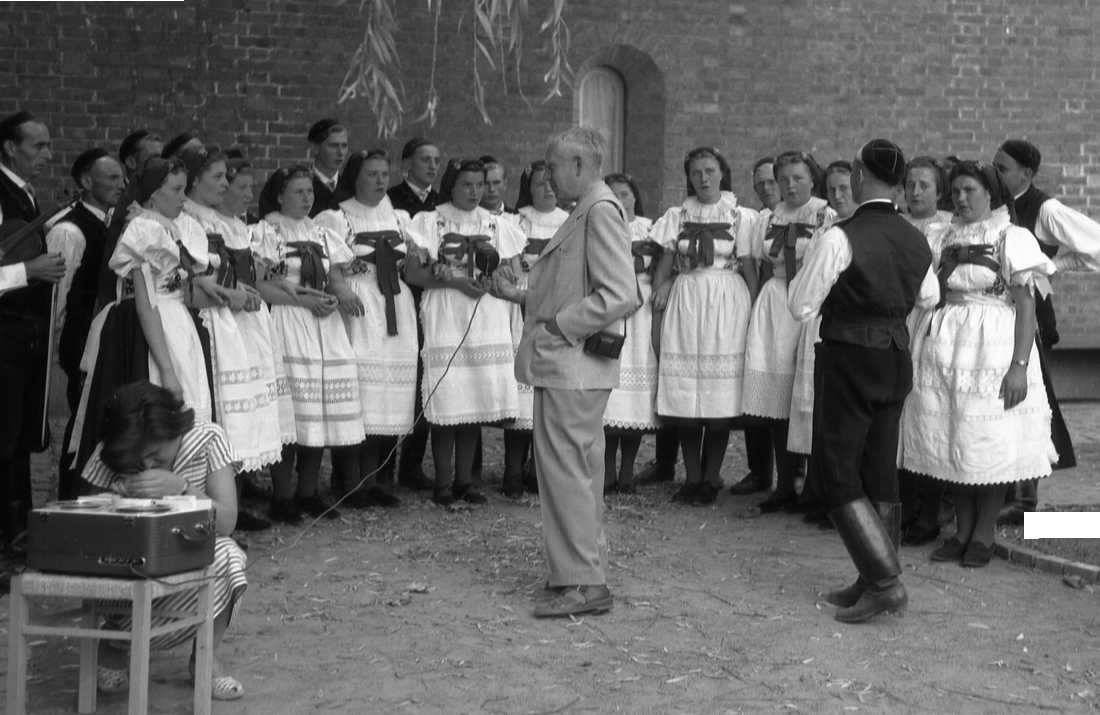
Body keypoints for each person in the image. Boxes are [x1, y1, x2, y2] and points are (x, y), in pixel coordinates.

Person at [788, 139, 937, 623]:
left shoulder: (841, 234)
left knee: (836, 470)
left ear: (858, 174)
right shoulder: (916, 237)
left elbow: (801, 305)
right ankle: (875, 571)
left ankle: (883, 581)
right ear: (897, 184)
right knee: (878, 468)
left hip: (851, 356)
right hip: (894, 359)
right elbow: (930, 296)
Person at [496, 126, 637, 617]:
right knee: (575, 473)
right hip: (571, 365)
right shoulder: (588, 210)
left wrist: (559, 324)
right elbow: (575, 285)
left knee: (567, 474)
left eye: (554, 166)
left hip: (573, 365)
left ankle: (582, 583)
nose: (548, 176)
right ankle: (581, 572)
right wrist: (520, 294)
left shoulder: (598, 211)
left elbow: (620, 292)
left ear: (579, 165)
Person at [901, 160, 1056, 567]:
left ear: (991, 194)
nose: (962, 198)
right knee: (956, 440)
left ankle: (983, 534)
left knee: (989, 445)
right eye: (956, 192)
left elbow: (1026, 307)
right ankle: (962, 531)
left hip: (994, 347)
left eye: (970, 191)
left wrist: (1019, 366)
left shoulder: (1010, 237)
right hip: (947, 349)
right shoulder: (943, 236)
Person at [82, 381, 247, 701]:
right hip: (132, 566)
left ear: (173, 429)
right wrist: (115, 499)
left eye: (155, 456)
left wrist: (182, 489)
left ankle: (205, 656)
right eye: (136, 462)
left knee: (228, 554)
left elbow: (227, 521)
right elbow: (89, 519)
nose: (146, 467)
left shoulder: (208, 439)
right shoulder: (117, 448)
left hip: (187, 559)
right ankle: (115, 641)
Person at [181, 146, 295, 531]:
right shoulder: (191, 221)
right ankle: (215, 505)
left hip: (243, 322)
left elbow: (247, 277)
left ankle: (236, 503)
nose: (237, 190)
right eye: (226, 180)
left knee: (244, 415)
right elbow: (199, 281)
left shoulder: (229, 223)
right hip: (215, 321)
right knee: (223, 412)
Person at [404, 158, 524, 505]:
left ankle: (465, 481)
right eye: (467, 185)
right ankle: (442, 481)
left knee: (473, 397)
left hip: (485, 312)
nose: (475, 192)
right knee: (448, 393)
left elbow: (510, 273)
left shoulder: (496, 223)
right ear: (451, 186)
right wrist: (452, 278)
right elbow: (413, 274)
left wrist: (493, 279)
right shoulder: (430, 220)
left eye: (480, 185)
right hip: (446, 311)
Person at [252, 165, 365, 522]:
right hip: (288, 319)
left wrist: (336, 295)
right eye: (298, 192)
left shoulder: (321, 232)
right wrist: (306, 301)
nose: (306, 198)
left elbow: (332, 277)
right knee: (293, 409)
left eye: (309, 192)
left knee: (318, 408)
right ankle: (282, 496)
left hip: (323, 326)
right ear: (280, 195)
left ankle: (308, 491)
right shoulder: (266, 231)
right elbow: (261, 285)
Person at [993, 139, 1098, 522]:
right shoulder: (997, 207)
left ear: (1027, 174)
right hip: (995, 320)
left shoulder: (1045, 209)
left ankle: (1024, 502)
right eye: (995, 166)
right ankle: (1002, 491)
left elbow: (1096, 245)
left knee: (1032, 404)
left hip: (1031, 319)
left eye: (1003, 168)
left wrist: (1051, 267)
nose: (997, 174)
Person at [651, 146, 759, 506]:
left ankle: (712, 476)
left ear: (721, 172)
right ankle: (691, 475)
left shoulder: (739, 215)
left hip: (726, 302)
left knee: (717, 396)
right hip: (687, 300)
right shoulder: (677, 214)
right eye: (696, 173)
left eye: (709, 171)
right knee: (686, 396)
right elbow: (667, 261)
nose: (703, 179)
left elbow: (748, 266)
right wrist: (663, 285)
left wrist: (755, 313)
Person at [315, 148, 419, 506]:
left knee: (387, 393)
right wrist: (339, 287)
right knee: (358, 388)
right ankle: (349, 480)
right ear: (354, 177)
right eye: (371, 174)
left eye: (383, 174)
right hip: (359, 305)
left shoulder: (401, 217)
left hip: (396, 304)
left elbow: (416, 263)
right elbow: (327, 264)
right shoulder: (337, 217)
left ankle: (373, 481)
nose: (379, 181)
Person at [740, 151, 833, 511]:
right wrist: (756, 311)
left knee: (806, 393)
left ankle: (811, 484)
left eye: (798, 178)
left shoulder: (826, 214)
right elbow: (764, 268)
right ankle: (782, 485)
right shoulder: (768, 218)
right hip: (775, 302)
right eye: (783, 180)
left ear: (812, 179)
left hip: (811, 304)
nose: (790, 185)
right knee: (778, 397)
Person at [0, 110, 64, 586]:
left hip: (24, 338)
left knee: (19, 440)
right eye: (36, 146)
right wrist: (30, 272)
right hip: (3, 336)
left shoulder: (24, 194)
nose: (46, 154)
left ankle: (18, 540)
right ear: (9, 147)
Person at [46, 149, 126, 500]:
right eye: (112, 178)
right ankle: (71, 496)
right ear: (86, 182)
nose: (120, 185)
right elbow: (56, 299)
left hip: (104, 337)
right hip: (80, 342)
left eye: (122, 178)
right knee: (81, 421)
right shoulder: (69, 230)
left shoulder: (111, 222)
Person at [498, 160, 569, 497]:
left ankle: (535, 470)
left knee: (545, 394)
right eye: (540, 183)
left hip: (556, 307)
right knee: (521, 394)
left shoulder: (571, 221)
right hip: (520, 308)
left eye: (552, 182)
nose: (548, 189)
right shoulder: (514, 220)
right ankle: (512, 469)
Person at [898, 156, 955, 545]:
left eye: (924, 185)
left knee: (928, 415)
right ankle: (900, 506)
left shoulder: (949, 229)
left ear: (939, 190)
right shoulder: (895, 223)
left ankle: (931, 512)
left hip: (932, 325)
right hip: (896, 322)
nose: (916, 192)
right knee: (896, 418)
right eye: (910, 185)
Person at [387, 137, 442, 488]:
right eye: (425, 159)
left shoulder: (442, 206)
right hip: (400, 296)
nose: (433, 166)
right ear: (407, 163)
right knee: (399, 376)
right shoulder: (391, 201)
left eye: (437, 160)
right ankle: (384, 463)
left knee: (427, 376)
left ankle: (412, 463)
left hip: (435, 299)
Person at [601, 173, 659, 495]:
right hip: (612, 310)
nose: (619, 200)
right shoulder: (599, 226)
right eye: (612, 195)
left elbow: (663, 267)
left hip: (643, 313)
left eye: (625, 194)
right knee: (611, 395)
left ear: (635, 197)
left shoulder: (652, 229)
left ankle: (627, 471)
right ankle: (608, 470)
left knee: (635, 402)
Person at [307, 118, 349, 217]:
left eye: (344, 145)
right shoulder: (301, 186)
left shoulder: (350, 189)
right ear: (316, 148)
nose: (340, 152)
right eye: (333, 146)